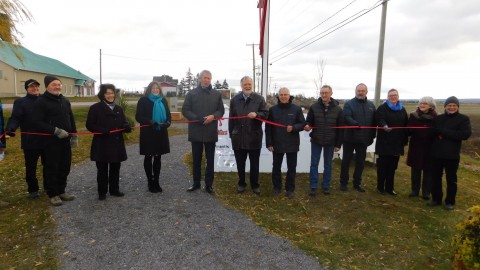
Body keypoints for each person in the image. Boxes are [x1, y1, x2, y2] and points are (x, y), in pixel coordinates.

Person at [32, 75, 77, 206]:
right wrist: (55, 131)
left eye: (59, 84)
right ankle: (53, 193)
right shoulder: (41, 101)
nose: (57, 87)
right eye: (54, 84)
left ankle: (62, 190)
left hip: (65, 141)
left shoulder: (65, 100)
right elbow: (36, 122)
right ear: (47, 86)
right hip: (50, 141)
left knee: (65, 166)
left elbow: (71, 118)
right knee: (52, 167)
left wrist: (74, 135)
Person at [86, 84, 132, 200]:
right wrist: (103, 130)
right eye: (107, 93)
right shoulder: (95, 108)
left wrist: (126, 126)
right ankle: (102, 192)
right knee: (102, 169)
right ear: (102, 94)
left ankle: (114, 189)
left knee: (115, 167)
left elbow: (123, 122)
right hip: (102, 143)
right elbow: (89, 125)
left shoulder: (118, 108)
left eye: (112, 93)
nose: (110, 95)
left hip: (116, 144)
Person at [182, 70, 224, 194]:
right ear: (200, 79)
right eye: (204, 78)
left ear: (211, 80)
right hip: (196, 131)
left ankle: (209, 184)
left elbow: (221, 111)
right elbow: (185, 110)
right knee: (196, 159)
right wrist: (196, 119)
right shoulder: (191, 93)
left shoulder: (216, 94)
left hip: (210, 132)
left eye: (209, 78)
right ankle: (196, 183)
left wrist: (213, 116)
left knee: (210, 160)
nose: (206, 80)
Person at [428, 96, 471, 210]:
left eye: (454, 105)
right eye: (449, 105)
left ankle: (450, 201)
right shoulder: (438, 118)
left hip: (452, 155)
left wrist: (443, 132)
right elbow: (432, 133)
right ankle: (436, 199)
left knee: (451, 179)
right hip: (436, 154)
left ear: (457, 107)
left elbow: (464, 134)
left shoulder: (463, 119)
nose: (451, 107)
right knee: (435, 178)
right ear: (445, 106)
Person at [5, 79, 45, 199]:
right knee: (31, 167)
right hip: (30, 141)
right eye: (31, 87)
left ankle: (49, 187)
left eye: (36, 86)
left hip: (47, 140)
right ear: (27, 89)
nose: (35, 88)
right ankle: (33, 190)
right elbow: (15, 118)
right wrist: (10, 129)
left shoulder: (45, 100)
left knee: (49, 165)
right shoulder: (21, 102)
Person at [229, 76, 268, 194]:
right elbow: (231, 118)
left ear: (252, 85)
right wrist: (232, 134)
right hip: (238, 138)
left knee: (254, 164)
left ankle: (255, 185)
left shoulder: (259, 99)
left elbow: (266, 114)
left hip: (254, 137)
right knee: (240, 164)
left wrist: (257, 115)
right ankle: (241, 183)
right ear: (241, 86)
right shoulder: (234, 100)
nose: (247, 86)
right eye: (245, 84)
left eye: (249, 84)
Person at [265, 87, 306, 199]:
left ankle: (290, 189)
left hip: (292, 143)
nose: (283, 96)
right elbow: (268, 127)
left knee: (291, 167)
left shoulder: (296, 109)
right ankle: (277, 187)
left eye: (285, 94)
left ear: (289, 95)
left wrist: (293, 128)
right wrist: (269, 143)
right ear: (278, 96)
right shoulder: (273, 109)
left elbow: (302, 124)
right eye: (281, 94)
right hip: (277, 143)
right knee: (276, 167)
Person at [304, 85, 343, 196]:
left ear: (331, 93)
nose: (324, 95)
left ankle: (326, 186)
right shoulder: (314, 107)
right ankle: (313, 186)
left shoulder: (338, 109)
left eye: (326, 93)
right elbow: (309, 121)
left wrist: (338, 144)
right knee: (314, 164)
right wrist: (307, 126)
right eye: (322, 93)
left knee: (328, 165)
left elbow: (341, 129)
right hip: (316, 140)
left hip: (331, 141)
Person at [135, 81, 171, 193]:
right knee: (148, 156)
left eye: (157, 88)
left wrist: (168, 123)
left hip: (161, 133)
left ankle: (157, 181)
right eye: (153, 88)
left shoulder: (163, 100)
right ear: (149, 89)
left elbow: (169, 116)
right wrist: (150, 121)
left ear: (159, 90)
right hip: (148, 133)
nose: (155, 90)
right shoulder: (143, 100)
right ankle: (150, 181)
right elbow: (138, 116)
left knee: (158, 157)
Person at [339, 83, 376, 192]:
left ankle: (357, 183)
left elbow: (374, 121)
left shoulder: (371, 105)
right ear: (355, 92)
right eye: (358, 90)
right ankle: (343, 183)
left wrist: (372, 136)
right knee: (346, 161)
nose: (360, 92)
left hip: (363, 139)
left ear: (366, 92)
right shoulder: (349, 104)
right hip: (349, 138)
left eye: (362, 91)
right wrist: (355, 124)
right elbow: (346, 116)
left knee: (360, 162)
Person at [375, 89, 408, 196]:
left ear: (398, 96)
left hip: (397, 143)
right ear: (388, 97)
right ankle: (380, 187)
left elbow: (406, 125)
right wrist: (384, 126)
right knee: (383, 167)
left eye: (395, 95)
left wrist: (405, 140)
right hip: (384, 143)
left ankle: (390, 188)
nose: (393, 97)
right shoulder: (382, 108)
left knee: (392, 167)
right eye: (391, 95)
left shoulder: (402, 109)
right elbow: (379, 119)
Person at [406, 96, 437, 200]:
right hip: (416, 147)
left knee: (428, 170)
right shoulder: (413, 116)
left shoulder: (436, 117)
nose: (422, 105)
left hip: (430, 148)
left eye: (425, 103)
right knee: (415, 169)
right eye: (421, 103)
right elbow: (408, 131)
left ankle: (426, 192)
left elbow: (438, 132)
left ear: (431, 106)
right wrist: (410, 129)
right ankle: (415, 190)